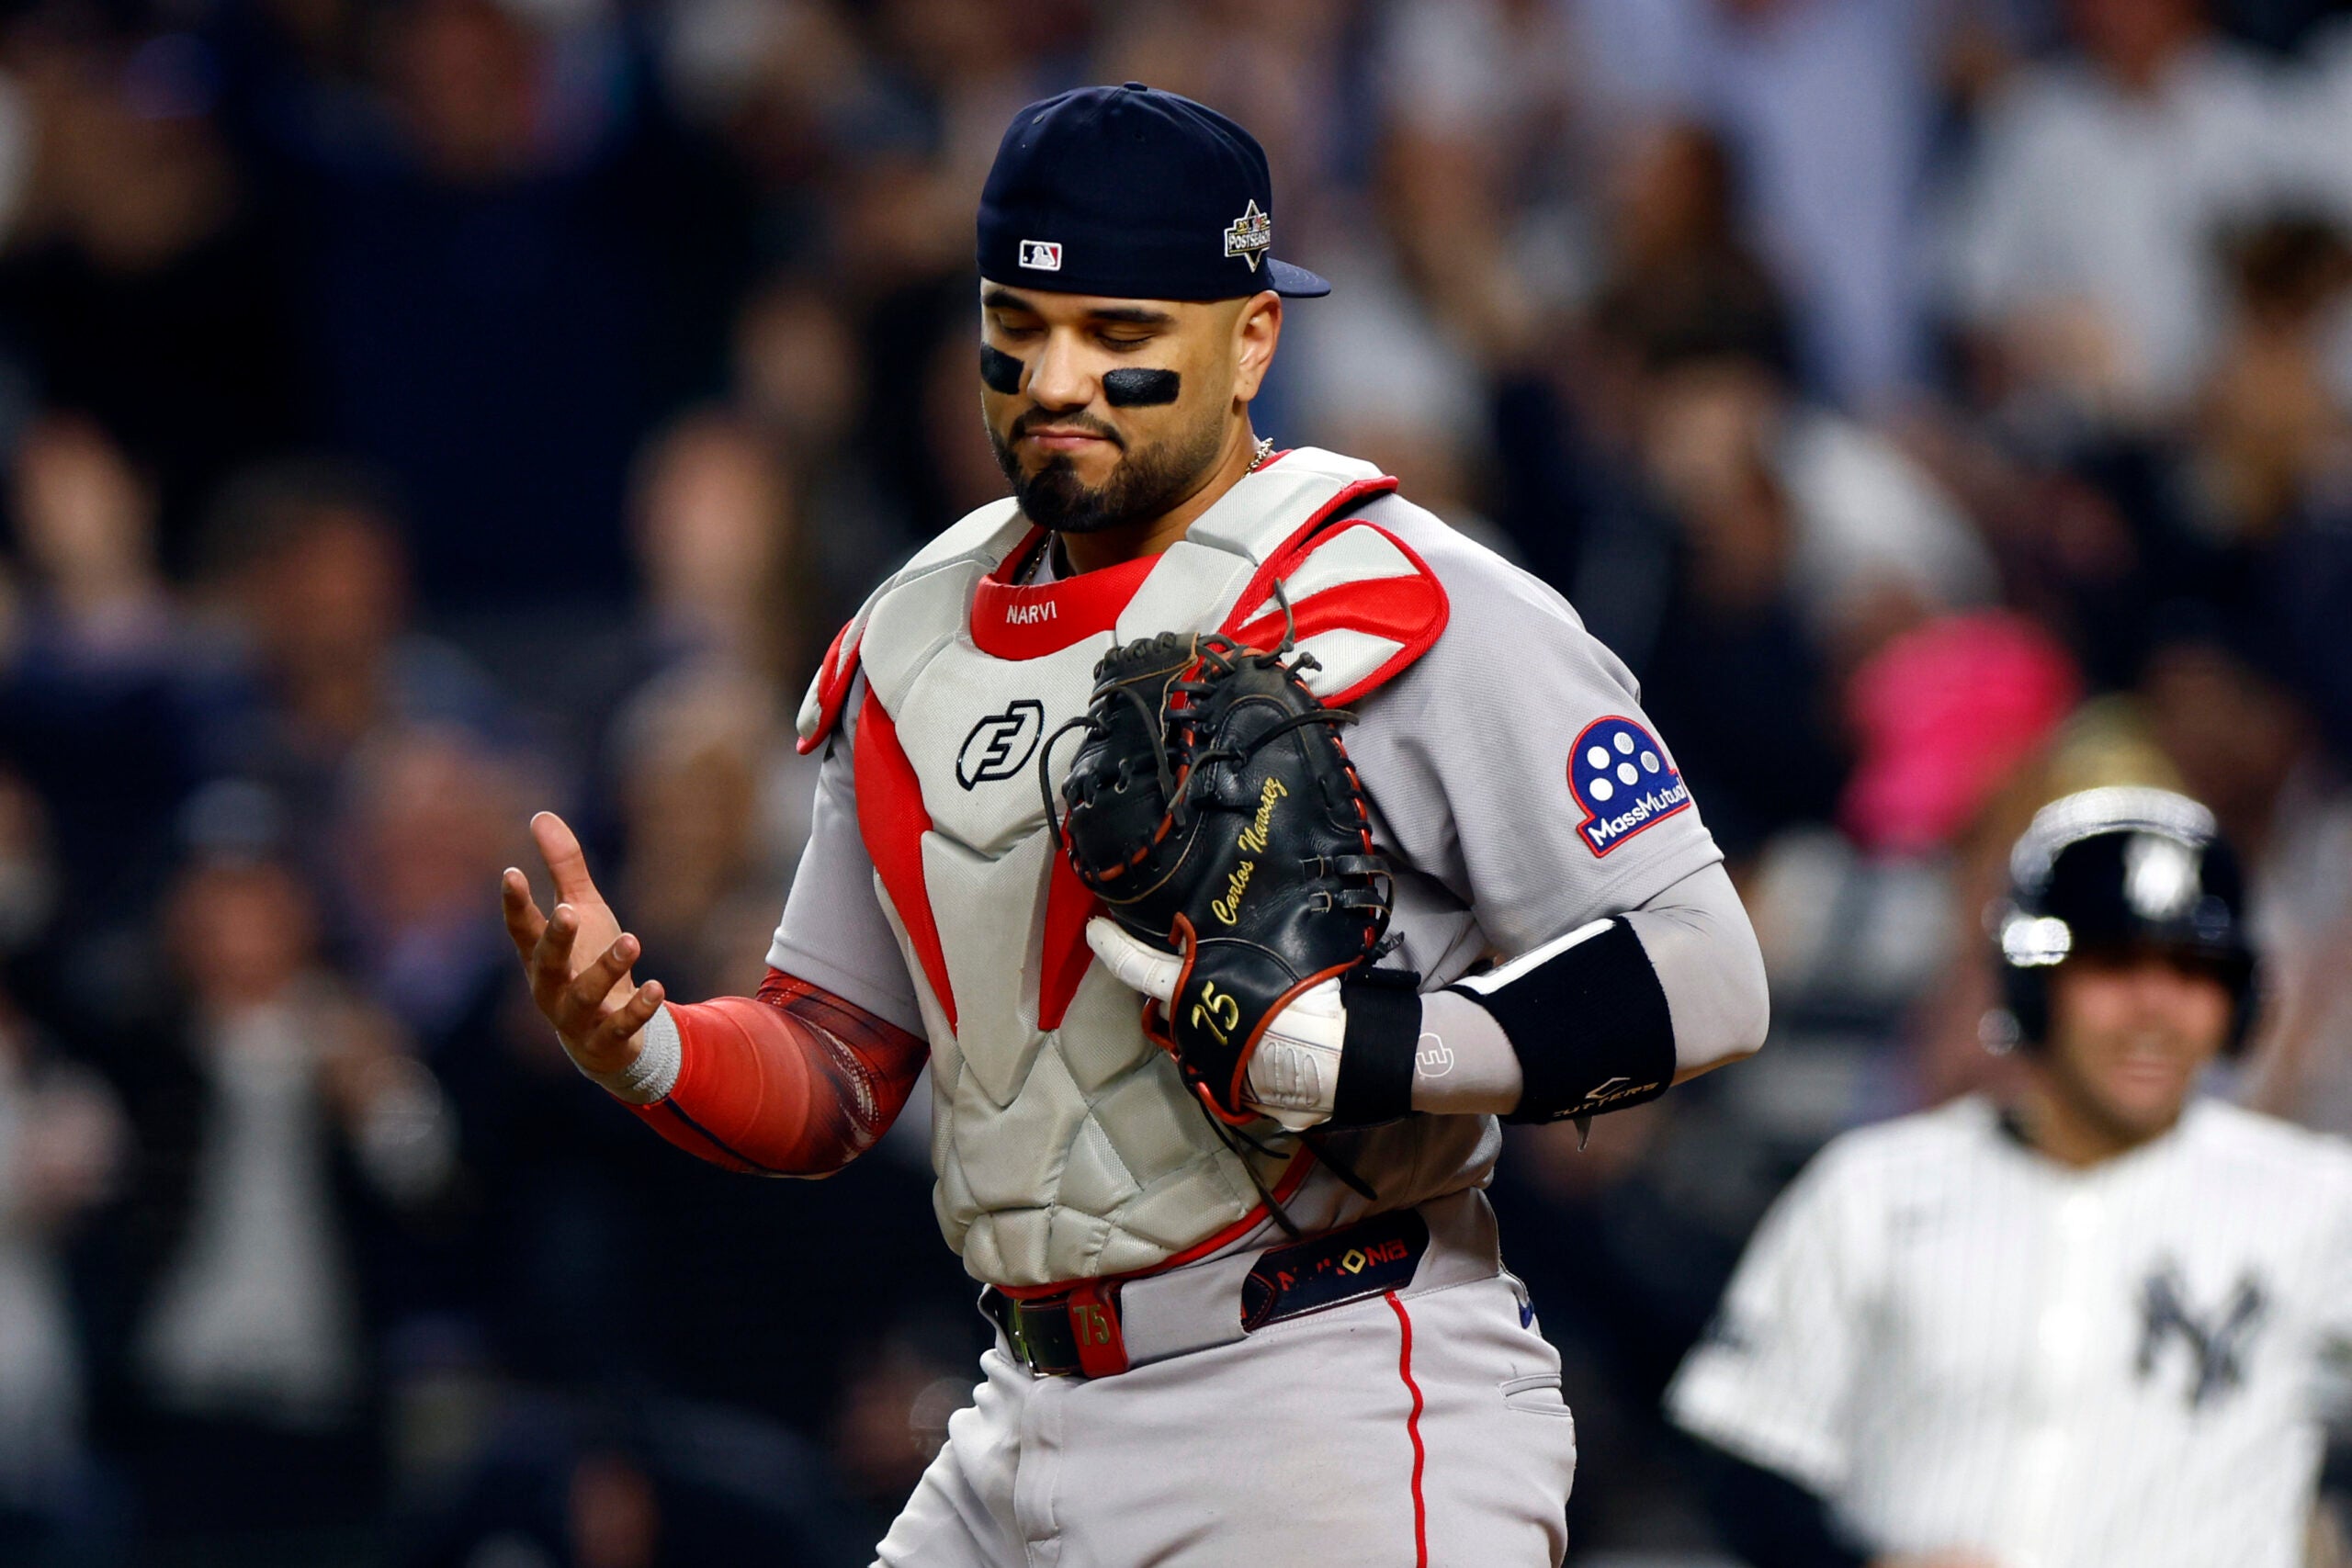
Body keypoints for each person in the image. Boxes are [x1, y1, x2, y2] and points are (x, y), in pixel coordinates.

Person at [503, 84, 1770, 1565]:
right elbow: (835, 1069)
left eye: (1119, 335)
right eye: (1019, 326)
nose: (1055, 378)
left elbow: (1706, 969)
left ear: (1251, 339)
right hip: (1023, 1408)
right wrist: (645, 1041)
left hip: (1324, 1390)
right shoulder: (910, 636)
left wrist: (1372, 1045)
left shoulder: (1407, 592)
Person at [1667, 785, 2352, 1568]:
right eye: (2114, 964)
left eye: (2194, 971)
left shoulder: (2321, 1202)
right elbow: (1747, 1454)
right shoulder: (1874, 1190)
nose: (2155, 1008)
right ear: (2032, 984)